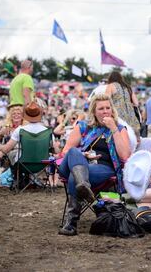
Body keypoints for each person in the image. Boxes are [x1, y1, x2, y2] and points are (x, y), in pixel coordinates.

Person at [58, 94, 131, 236]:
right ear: (93, 111)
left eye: (107, 108)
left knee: (77, 176)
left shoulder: (120, 129)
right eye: (101, 108)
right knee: (73, 152)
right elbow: (65, 151)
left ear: (112, 110)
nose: (105, 111)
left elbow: (124, 156)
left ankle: (71, 223)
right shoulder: (84, 127)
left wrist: (113, 128)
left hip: (103, 168)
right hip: (77, 162)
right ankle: (83, 184)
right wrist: (82, 155)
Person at [105, 71, 140, 137]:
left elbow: (106, 101)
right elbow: (136, 103)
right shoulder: (127, 87)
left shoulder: (110, 86)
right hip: (130, 115)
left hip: (118, 115)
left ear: (110, 78)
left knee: (119, 135)